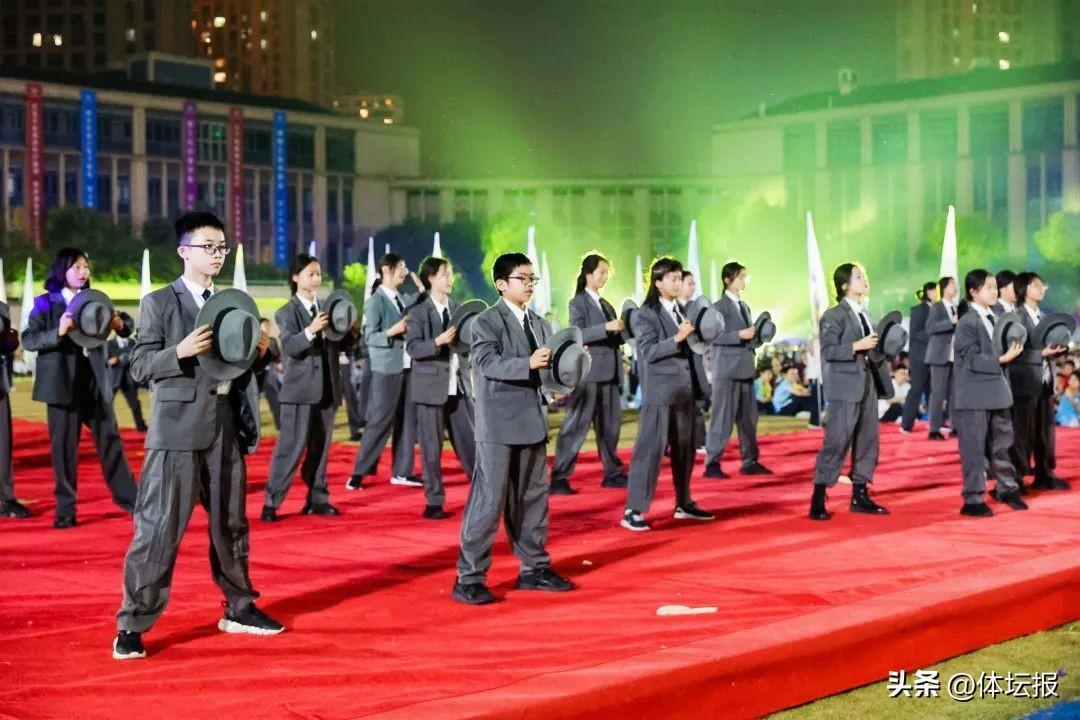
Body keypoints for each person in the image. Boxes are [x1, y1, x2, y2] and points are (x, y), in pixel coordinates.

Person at [114, 212, 282, 661]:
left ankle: (240, 607)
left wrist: (260, 354)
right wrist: (180, 351)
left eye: (222, 246)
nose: (217, 254)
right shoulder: (159, 303)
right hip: (176, 431)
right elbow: (139, 365)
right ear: (183, 251)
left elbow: (237, 366)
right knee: (159, 528)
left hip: (225, 426)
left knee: (231, 524)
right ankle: (132, 623)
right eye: (208, 246)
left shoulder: (232, 304)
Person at [453, 252, 574, 605]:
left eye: (532, 278)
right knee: (488, 502)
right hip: (497, 426)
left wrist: (565, 371)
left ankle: (534, 568)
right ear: (501, 284)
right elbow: (487, 363)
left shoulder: (539, 323)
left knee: (533, 501)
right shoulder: (485, 322)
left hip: (532, 421)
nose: (530, 284)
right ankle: (469, 577)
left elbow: (546, 372)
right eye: (523, 278)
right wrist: (528, 363)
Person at [22, 247, 138, 529]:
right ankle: (65, 509)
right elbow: (29, 339)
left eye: (86, 267)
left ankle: (132, 501)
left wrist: (120, 323)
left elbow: (125, 325)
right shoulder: (45, 303)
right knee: (63, 449)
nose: (83, 272)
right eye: (77, 267)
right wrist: (58, 332)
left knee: (111, 442)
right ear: (63, 270)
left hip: (94, 381)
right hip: (61, 385)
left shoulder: (94, 300)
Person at [621, 257, 714, 532]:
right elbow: (647, 351)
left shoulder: (681, 310)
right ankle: (633, 509)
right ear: (658, 282)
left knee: (685, 451)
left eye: (679, 279)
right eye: (673, 279)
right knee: (649, 452)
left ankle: (683, 502)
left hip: (684, 392)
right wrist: (677, 338)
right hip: (660, 394)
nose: (678, 284)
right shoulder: (645, 314)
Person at [261, 253, 349, 522]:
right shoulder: (286, 312)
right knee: (290, 447)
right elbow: (289, 346)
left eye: (318, 274)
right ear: (295, 277)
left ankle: (318, 499)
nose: (316, 279)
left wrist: (346, 330)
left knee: (321, 449)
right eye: (310, 274)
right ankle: (271, 502)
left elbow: (339, 345)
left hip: (327, 388)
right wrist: (311, 330)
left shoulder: (327, 309)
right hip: (299, 390)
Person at [808, 262, 890, 521]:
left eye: (863, 275)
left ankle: (860, 493)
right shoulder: (833, 316)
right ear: (845, 286)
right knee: (837, 440)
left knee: (868, 439)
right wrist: (856, 345)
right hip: (844, 387)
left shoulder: (868, 315)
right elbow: (829, 351)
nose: (864, 279)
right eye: (858, 277)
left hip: (868, 383)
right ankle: (819, 495)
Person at [405, 256, 477, 519]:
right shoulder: (418, 312)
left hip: (458, 388)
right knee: (431, 448)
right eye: (444, 273)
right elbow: (413, 348)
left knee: (470, 444)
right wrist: (437, 341)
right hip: (429, 389)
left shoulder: (459, 309)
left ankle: (484, 495)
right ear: (431, 278)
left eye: (450, 273)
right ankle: (434, 501)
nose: (450, 278)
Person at [550, 253, 627, 494]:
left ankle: (613, 473)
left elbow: (615, 336)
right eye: (602, 272)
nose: (605, 277)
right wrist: (607, 327)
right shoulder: (578, 303)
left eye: (607, 272)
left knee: (611, 427)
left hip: (610, 373)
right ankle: (560, 476)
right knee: (576, 425)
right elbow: (578, 333)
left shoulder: (606, 304)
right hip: (590, 374)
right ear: (588, 274)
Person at [953, 269, 1026, 516]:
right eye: (988, 287)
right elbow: (970, 358)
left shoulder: (997, 318)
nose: (994, 292)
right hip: (974, 394)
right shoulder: (966, 322)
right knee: (974, 450)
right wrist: (1001, 359)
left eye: (995, 287)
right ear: (973, 292)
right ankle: (973, 498)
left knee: (1003, 444)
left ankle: (1008, 489)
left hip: (998, 391)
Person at [346, 253, 419, 490]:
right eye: (401, 268)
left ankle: (403, 471)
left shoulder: (401, 298)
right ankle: (359, 472)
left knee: (407, 421)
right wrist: (392, 331)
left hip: (406, 366)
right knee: (379, 421)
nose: (404, 272)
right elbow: (369, 337)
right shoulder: (375, 301)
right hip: (386, 369)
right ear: (387, 270)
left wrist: (422, 289)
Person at [704, 261, 771, 479]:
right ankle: (712, 462)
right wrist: (739, 335)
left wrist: (758, 336)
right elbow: (711, 336)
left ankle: (750, 460)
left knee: (748, 419)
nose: (744, 280)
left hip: (745, 368)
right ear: (727, 280)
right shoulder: (717, 307)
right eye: (740, 276)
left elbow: (748, 337)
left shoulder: (744, 307)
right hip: (726, 371)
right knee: (722, 418)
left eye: (744, 276)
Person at [1010, 271, 1070, 490]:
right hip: (1024, 383)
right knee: (1022, 432)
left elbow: (1049, 349)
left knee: (1045, 431)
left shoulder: (1044, 317)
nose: (1041, 288)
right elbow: (1013, 351)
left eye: (1042, 285)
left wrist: (1059, 349)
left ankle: (1044, 473)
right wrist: (1041, 353)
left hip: (1045, 381)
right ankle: (1016, 478)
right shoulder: (1015, 317)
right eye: (1036, 285)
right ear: (1023, 289)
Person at [0, 305, 29, 518]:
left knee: (3, 445)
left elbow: (6, 346)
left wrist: (11, 342)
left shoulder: (1, 309)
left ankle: (6, 499)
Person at [900, 281, 937, 432]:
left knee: (931, 390)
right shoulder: (919, 309)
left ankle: (935, 422)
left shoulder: (936, 308)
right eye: (935, 290)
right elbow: (916, 332)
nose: (938, 294)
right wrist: (936, 332)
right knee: (916, 389)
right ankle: (906, 424)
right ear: (928, 292)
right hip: (920, 357)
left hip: (932, 356)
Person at [925, 276, 958, 440]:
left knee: (955, 393)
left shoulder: (957, 307)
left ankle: (956, 427)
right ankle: (934, 429)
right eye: (952, 285)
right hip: (939, 355)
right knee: (938, 393)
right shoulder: (937, 307)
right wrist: (950, 322)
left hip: (955, 356)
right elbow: (930, 328)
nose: (955, 287)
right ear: (944, 288)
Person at [106, 318, 148, 433]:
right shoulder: (109, 344)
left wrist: (120, 359)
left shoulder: (133, 343)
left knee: (134, 404)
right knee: (107, 405)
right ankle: (108, 428)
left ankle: (141, 426)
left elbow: (136, 357)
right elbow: (104, 361)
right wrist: (110, 362)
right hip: (114, 379)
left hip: (129, 380)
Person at [255, 317, 282, 429]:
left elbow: (278, 356)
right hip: (258, 376)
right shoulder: (254, 341)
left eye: (268, 326)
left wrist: (279, 364)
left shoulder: (273, 341)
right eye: (264, 326)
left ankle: (280, 425)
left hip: (270, 375)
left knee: (275, 401)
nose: (267, 328)